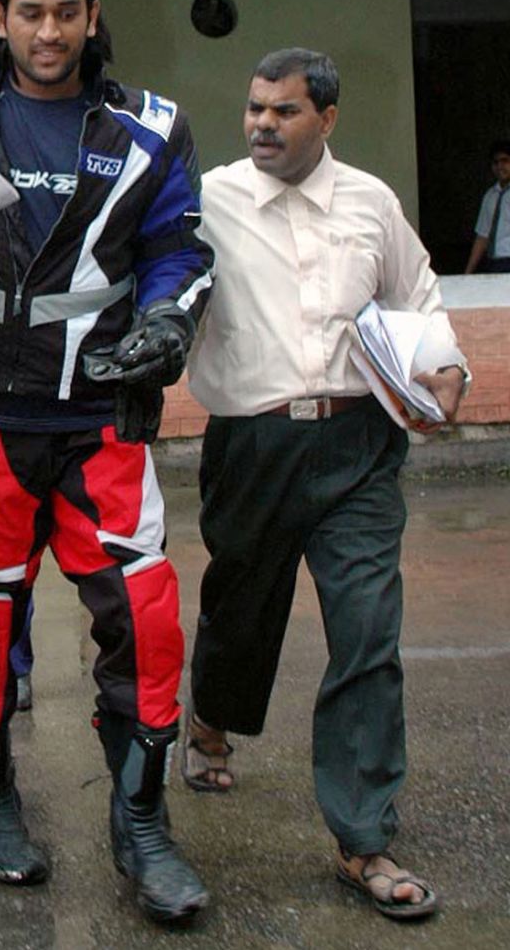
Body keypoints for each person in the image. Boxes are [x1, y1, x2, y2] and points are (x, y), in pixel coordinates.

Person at [0, 0, 213, 921]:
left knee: (147, 620)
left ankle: (140, 818)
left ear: (91, 15)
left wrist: (167, 317)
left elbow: (176, 245)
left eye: (64, 11)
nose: (47, 31)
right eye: (27, 12)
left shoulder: (149, 127)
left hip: (101, 419)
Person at [185, 47, 470, 922]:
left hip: (359, 445)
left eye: (285, 111)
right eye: (255, 109)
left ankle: (362, 837)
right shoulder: (212, 200)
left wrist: (446, 363)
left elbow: (417, 296)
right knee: (241, 604)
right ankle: (209, 719)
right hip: (252, 445)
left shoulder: (371, 202)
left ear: (328, 119)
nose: (263, 124)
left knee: (368, 632)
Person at [463, 139, 510, 274]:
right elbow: (482, 237)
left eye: (505, 160)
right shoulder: (490, 195)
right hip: (493, 262)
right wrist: (467, 273)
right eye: (496, 162)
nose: (500, 166)